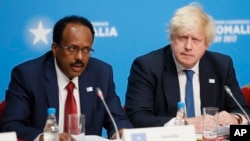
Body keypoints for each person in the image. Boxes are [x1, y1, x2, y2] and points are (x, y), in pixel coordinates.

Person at [0, 15, 133, 141]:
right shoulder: (28, 75)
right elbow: (11, 125)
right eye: (72, 48)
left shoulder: (101, 73)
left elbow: (117, 118)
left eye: (86, 50)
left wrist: (120, 131)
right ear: (55, 48)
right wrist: (46, 138)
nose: (79, 57)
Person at [125, 3, 250, 134]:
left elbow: (242, 111)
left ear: (206, 44)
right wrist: (185, 125)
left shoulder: (222, 65)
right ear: (172, 38)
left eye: (196, 39)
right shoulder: (147, 66)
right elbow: (137, 117)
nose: (188, 46)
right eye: (183, 37)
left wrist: (235, 119)